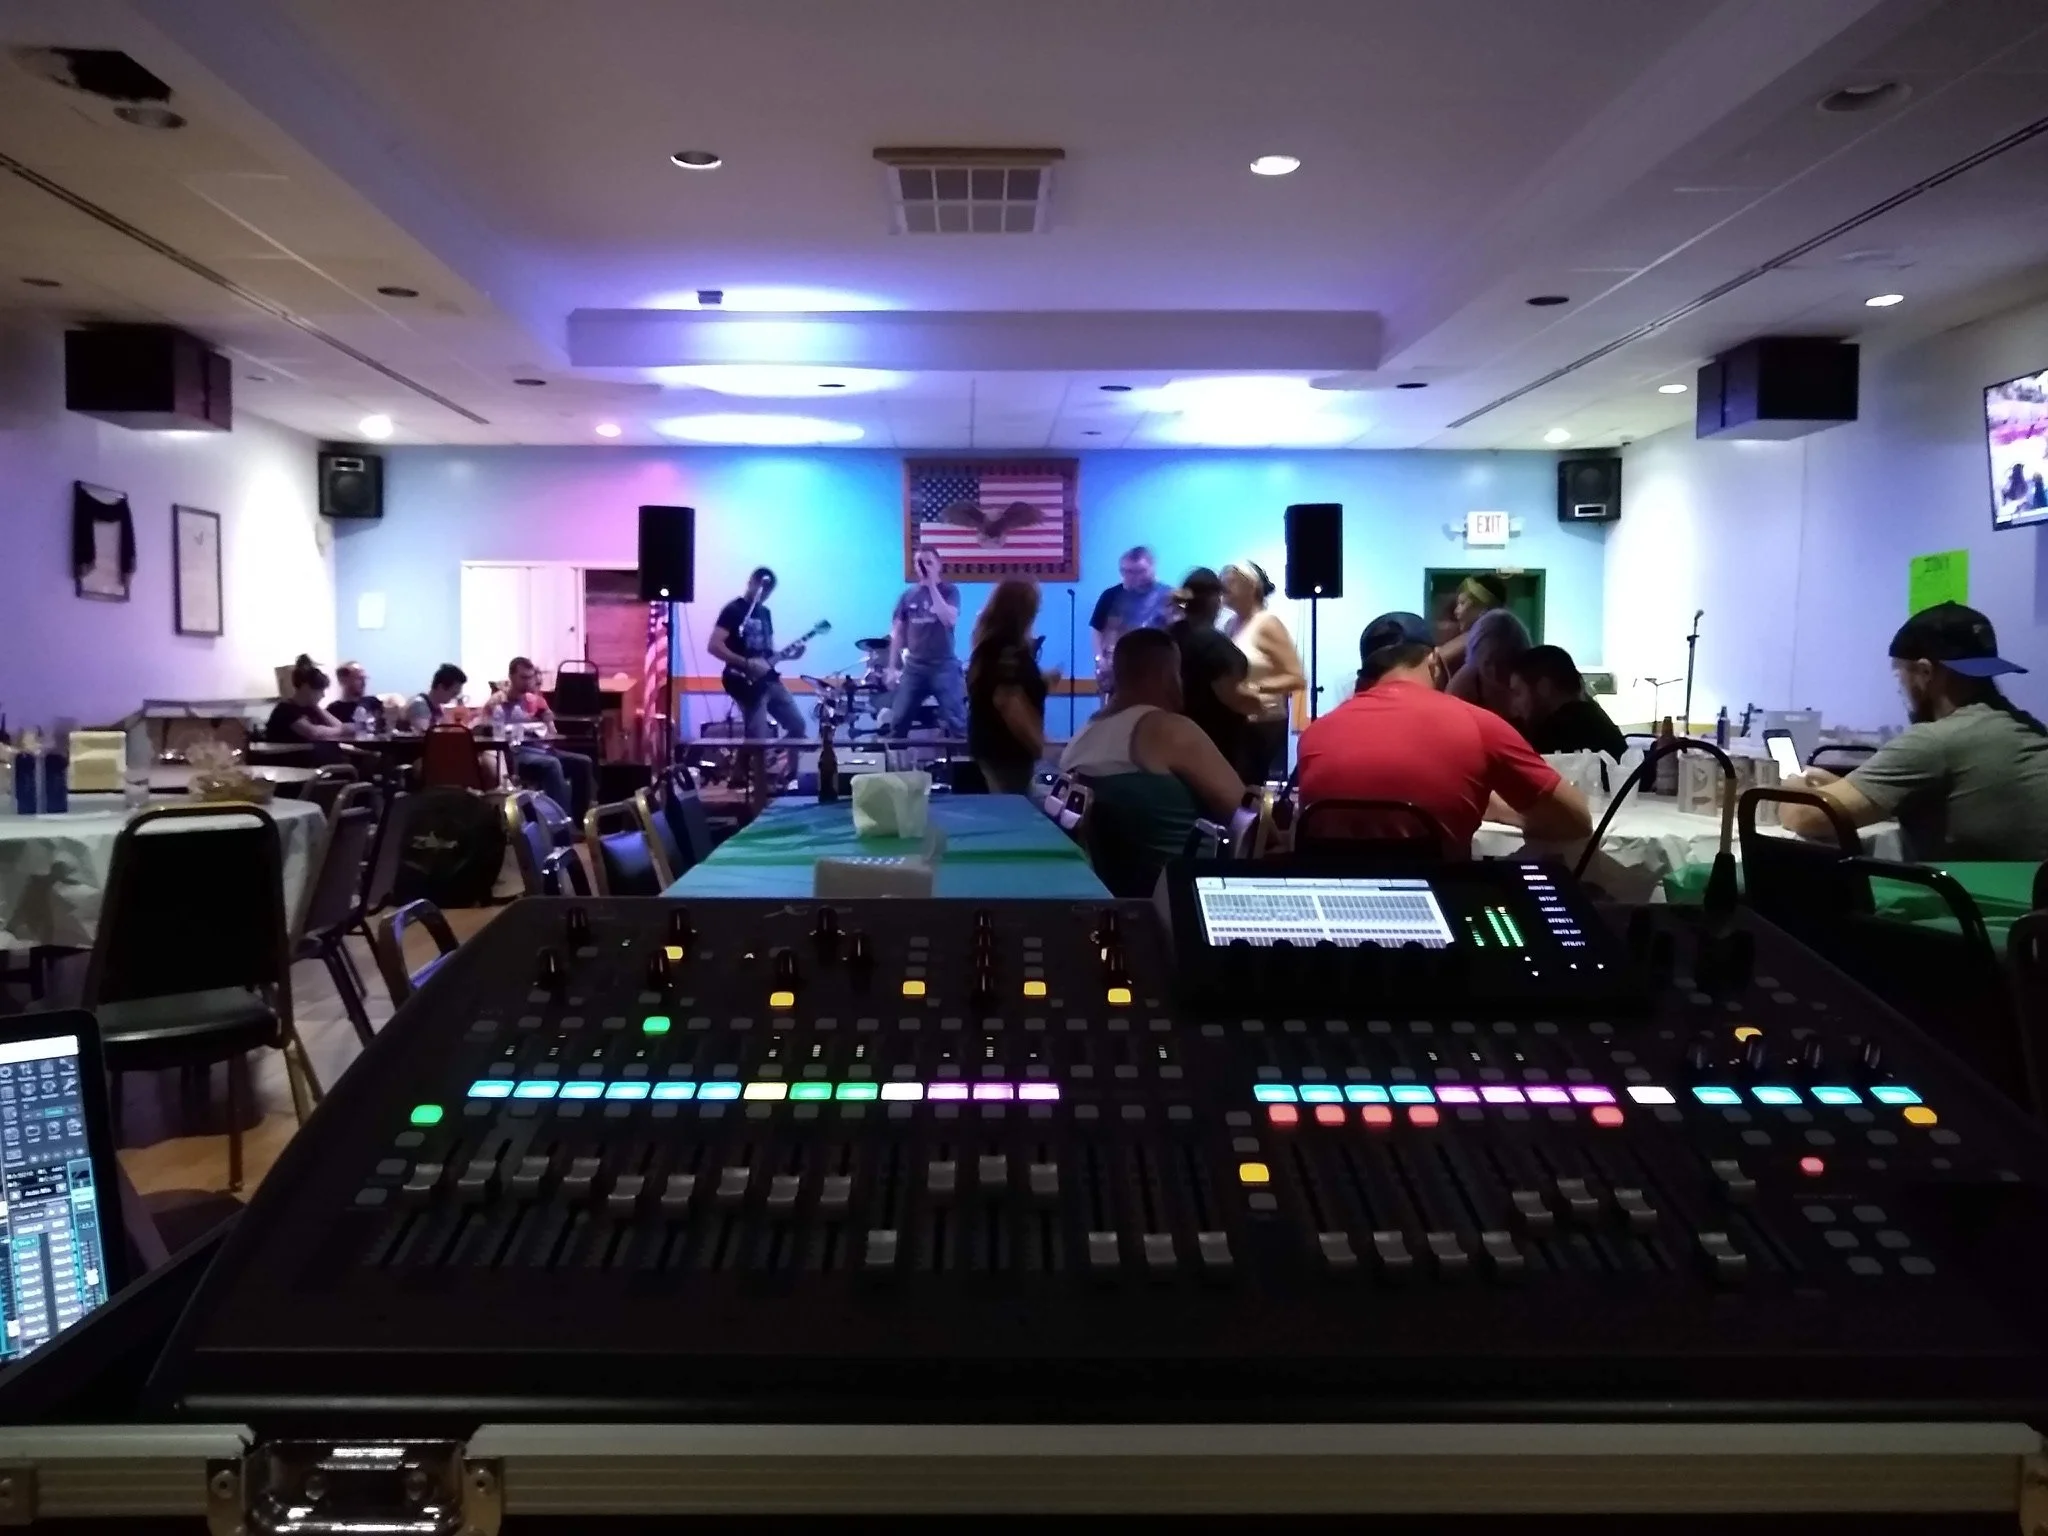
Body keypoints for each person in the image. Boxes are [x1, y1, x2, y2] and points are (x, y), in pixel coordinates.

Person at [1295, 613, 1592, 854]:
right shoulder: (1478, 725)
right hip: (1443, 905)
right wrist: (1503, 811)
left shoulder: (1315, 735)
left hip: (1339, 912)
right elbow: (1576, 820)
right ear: (1435, 661)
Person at [1781, 603, 2048, 861]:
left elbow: (1806, 817)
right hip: (2028, 899)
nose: (1901, 687)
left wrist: (1792, 783)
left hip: (1975, 903)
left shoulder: (1935, 741)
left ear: (1924, 671)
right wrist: (1866, 789)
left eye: (1900, 675)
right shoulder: (2030, 729)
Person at [1060, 629, 1245, 880]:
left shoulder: (1081, 737)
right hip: (1188, 893)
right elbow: (1248, 819)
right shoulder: (1167, 730)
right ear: (1166, 674)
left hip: (1117, 892)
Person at [1167, 568, 1262, 780]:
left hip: (1173, 741)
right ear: (1214, 601)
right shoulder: (1212, 643)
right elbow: (1232, 697)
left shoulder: (1168, 635)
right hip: (1213, 746)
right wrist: (1257, 702)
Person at [1221, 558, 1305, 781]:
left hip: (1263, 723)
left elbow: (1296, 677)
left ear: (1252, 587)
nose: (1224, 588)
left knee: (1249, 786)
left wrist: (1254, 687)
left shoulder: (1268, 624)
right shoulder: (1230, 625)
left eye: (1231, 582)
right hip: (1238, 720)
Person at [966, 578, 1050, 795]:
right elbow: (1007, 701)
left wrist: (1042, 683)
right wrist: (1042, 746)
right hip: (1006, 752)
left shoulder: (989, 647)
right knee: (1016, 810)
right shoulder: (1009, 651)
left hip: (989, 748)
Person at [488, 656, 596, 821]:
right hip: (516, 753)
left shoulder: (537, 701)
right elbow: (486, 729)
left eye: (530, 678)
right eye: (523, 677)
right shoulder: (497, 702)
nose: (527, 682)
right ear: (511, 677)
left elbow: (552, 734)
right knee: (552, 765)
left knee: (583, 762)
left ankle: (580, 821)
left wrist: (548, 723)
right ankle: (560, 822)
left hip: (543, 749)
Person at [709, 567, 807, 742]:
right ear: (751, 582)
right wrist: (746, 663)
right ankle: (753, 765)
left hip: (769, 678)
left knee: (798, 726)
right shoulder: (733, 610)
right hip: (743, 680)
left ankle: (779, 762)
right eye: (761, 586)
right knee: (757, 738)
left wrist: (791, 655)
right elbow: (714, 646)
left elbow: (767, 655)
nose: (764, 592)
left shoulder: (765, 613)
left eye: (768, 590)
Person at [886, 546, 965, 739]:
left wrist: (931, 586)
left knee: (958, 722)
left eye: (929, 562)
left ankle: (965, 766)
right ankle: (898, 766)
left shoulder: (950, 591)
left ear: (939, 565)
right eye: (920, 563)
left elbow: (949, 619)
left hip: (944, 666)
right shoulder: (906, 597)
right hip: (915, 668)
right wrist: (891, 667)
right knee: (898, 721)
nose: (924, 567)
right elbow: (897, 633)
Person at [1508, 645, 1627, 759]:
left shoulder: (1557, 734)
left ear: (1544, 688)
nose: (1514, 705)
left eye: (1518, 693)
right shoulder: (1595, 720)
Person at [1088, 546, 1172, 695]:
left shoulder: (1169, 595)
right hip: (1118, 674)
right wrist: (1099, 659)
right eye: (1127, 571)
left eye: (1140, 571)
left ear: (1152, 568)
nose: (1133, 577)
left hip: (1155, 674)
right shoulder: (1110, 595)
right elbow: (1096, 628)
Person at [266, 655, 351, 764]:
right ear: (306, 688)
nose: (323, 695)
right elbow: (313, 732)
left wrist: (316, 707)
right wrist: (342, 731)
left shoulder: (311, 709)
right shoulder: (285, 710)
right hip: (295, 766)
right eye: (320, 691)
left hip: (320, 765)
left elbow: (339, 726)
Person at [406, 663, 468, 731]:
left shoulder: (439, 708)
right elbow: (424, 736)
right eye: (453, 693)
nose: (454, 697)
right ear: (440, 687)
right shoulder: (419, 705)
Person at [326, 661, 386, 731]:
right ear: (343, 680)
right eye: (359, 678)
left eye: (365, 678)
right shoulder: (332, 710)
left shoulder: (374, 702)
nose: (364, 683)